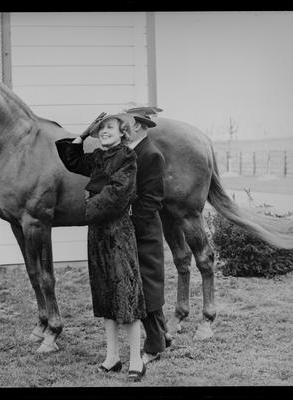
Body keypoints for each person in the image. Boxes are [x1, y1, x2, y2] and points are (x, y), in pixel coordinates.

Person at [55, 113, 147, 382]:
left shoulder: (127, 158)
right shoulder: (97, 157)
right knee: (105, 294)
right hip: (97, 233)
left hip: (118, 232)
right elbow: (71, 159)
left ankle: (135, 360)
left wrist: (87, 208)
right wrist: (83, 135)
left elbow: (119, 193)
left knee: (126, 295)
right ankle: (112, 357)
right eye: (102, 128)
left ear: (122, 133)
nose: (104, 131)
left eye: (110, 128)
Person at [124, 105, 172, 365]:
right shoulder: (134, 150)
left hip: (144, 231)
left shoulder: (150, 154)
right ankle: (163, 334)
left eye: (126, 123)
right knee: (147, 285)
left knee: (146, 288)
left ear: (139, 126)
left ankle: (153, 345)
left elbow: (152, 199)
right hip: (139, 228)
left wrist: (131, 226)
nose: (122, 128)